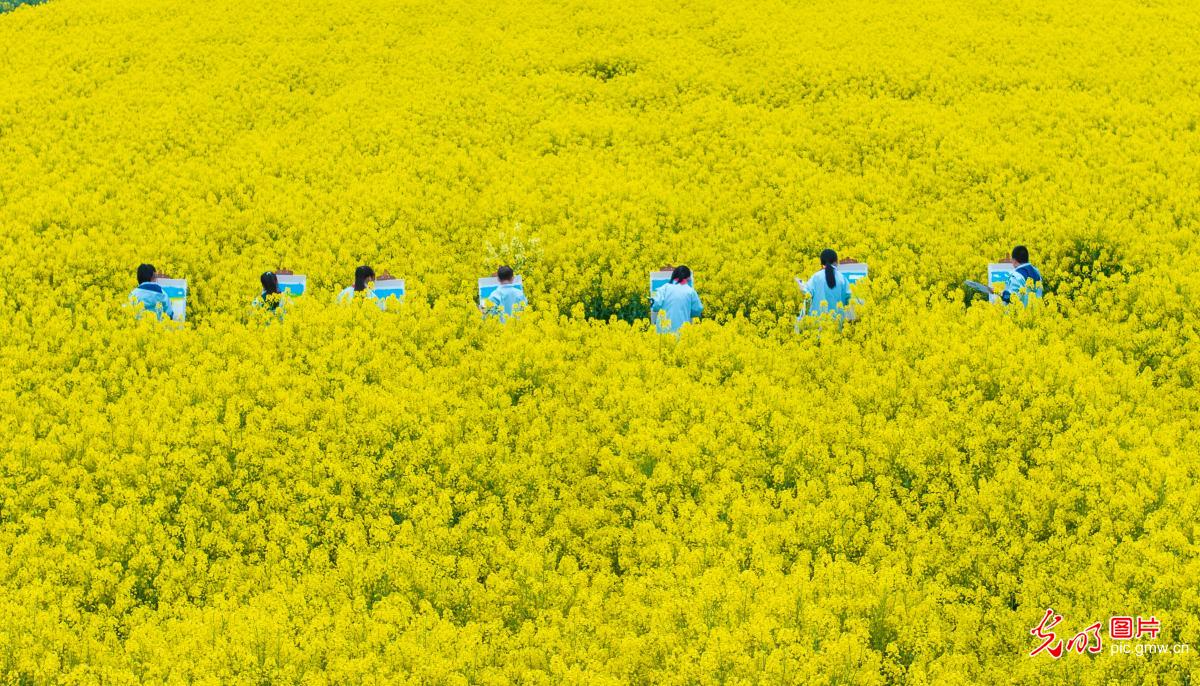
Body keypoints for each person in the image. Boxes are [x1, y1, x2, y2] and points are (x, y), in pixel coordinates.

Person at [650, 265, 703, 334]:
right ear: (688, 278)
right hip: (682, 331)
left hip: (663, 332)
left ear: (674, 275)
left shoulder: (664, 288)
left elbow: (656, 305)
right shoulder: (690, 291)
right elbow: (698, 309)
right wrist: (686, 312)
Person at [803, 249, 853, 321]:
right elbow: (849, 298)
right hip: (837, 322)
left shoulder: (816, 277)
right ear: (836, 261)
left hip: (817, 321)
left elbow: (807, 293)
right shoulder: (842, 278)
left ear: (821, 262)